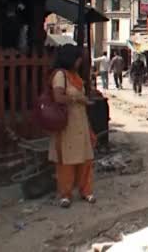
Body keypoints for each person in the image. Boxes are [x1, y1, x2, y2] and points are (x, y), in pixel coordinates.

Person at [49, 44, 96, 208]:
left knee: (86, 158)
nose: (79, 61)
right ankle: (65, 194)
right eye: (77, 58)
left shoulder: (75, 75)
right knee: (66, 161)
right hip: (67, 124)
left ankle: (86, 190)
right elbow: (58, 97)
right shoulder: (60, 75)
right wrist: (78, 99)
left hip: (80, 122)